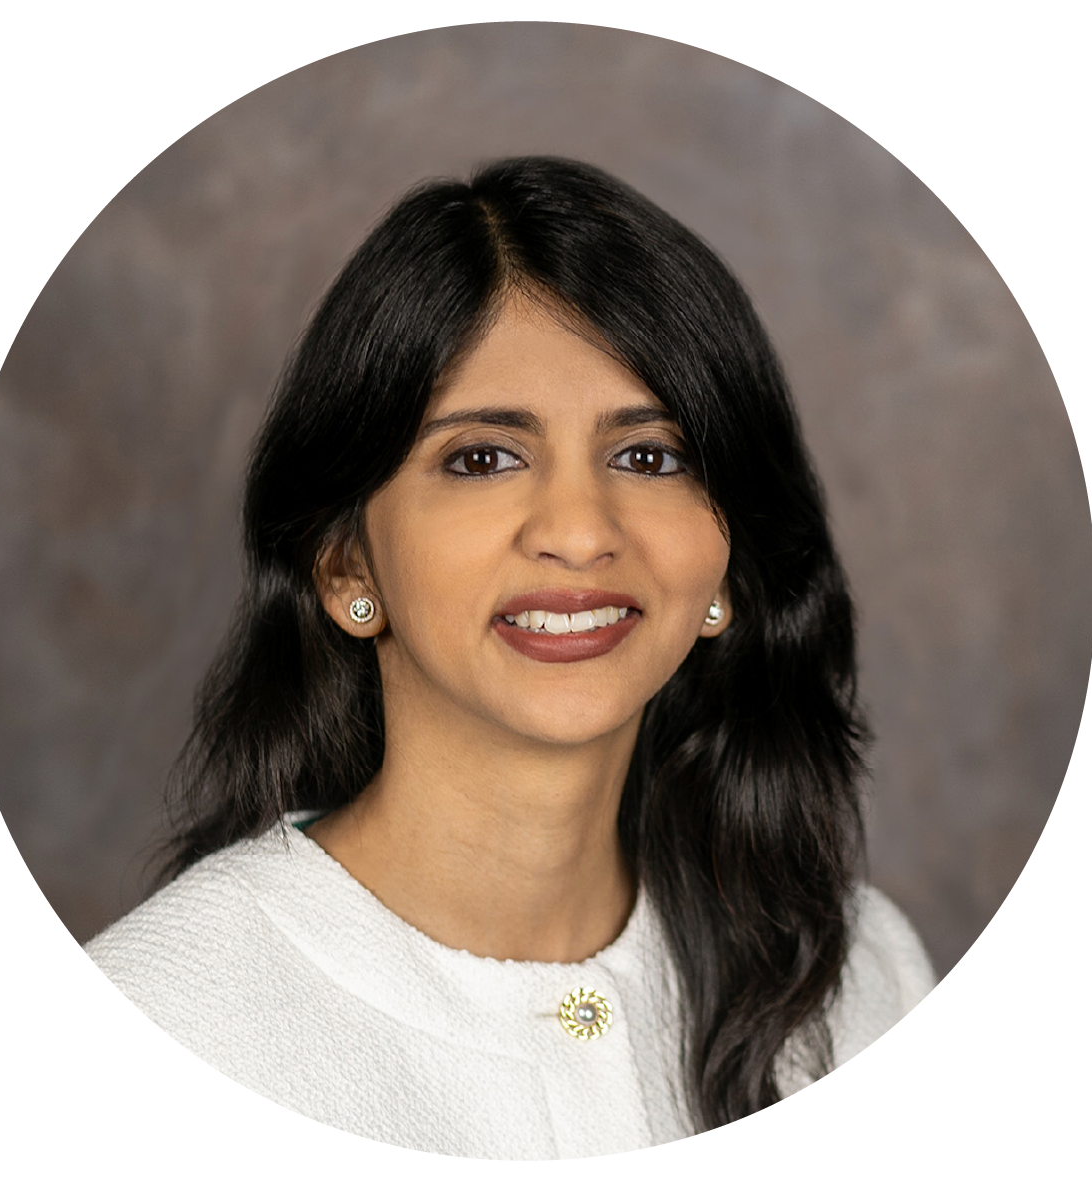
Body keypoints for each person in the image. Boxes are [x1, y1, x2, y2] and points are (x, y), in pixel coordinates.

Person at [84, 155, 937, 1161]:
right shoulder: (159, 1026)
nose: (579, 532)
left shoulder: (861, 975)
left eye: (649, 456)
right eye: (482, 458)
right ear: (345, 563)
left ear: (729, 569)